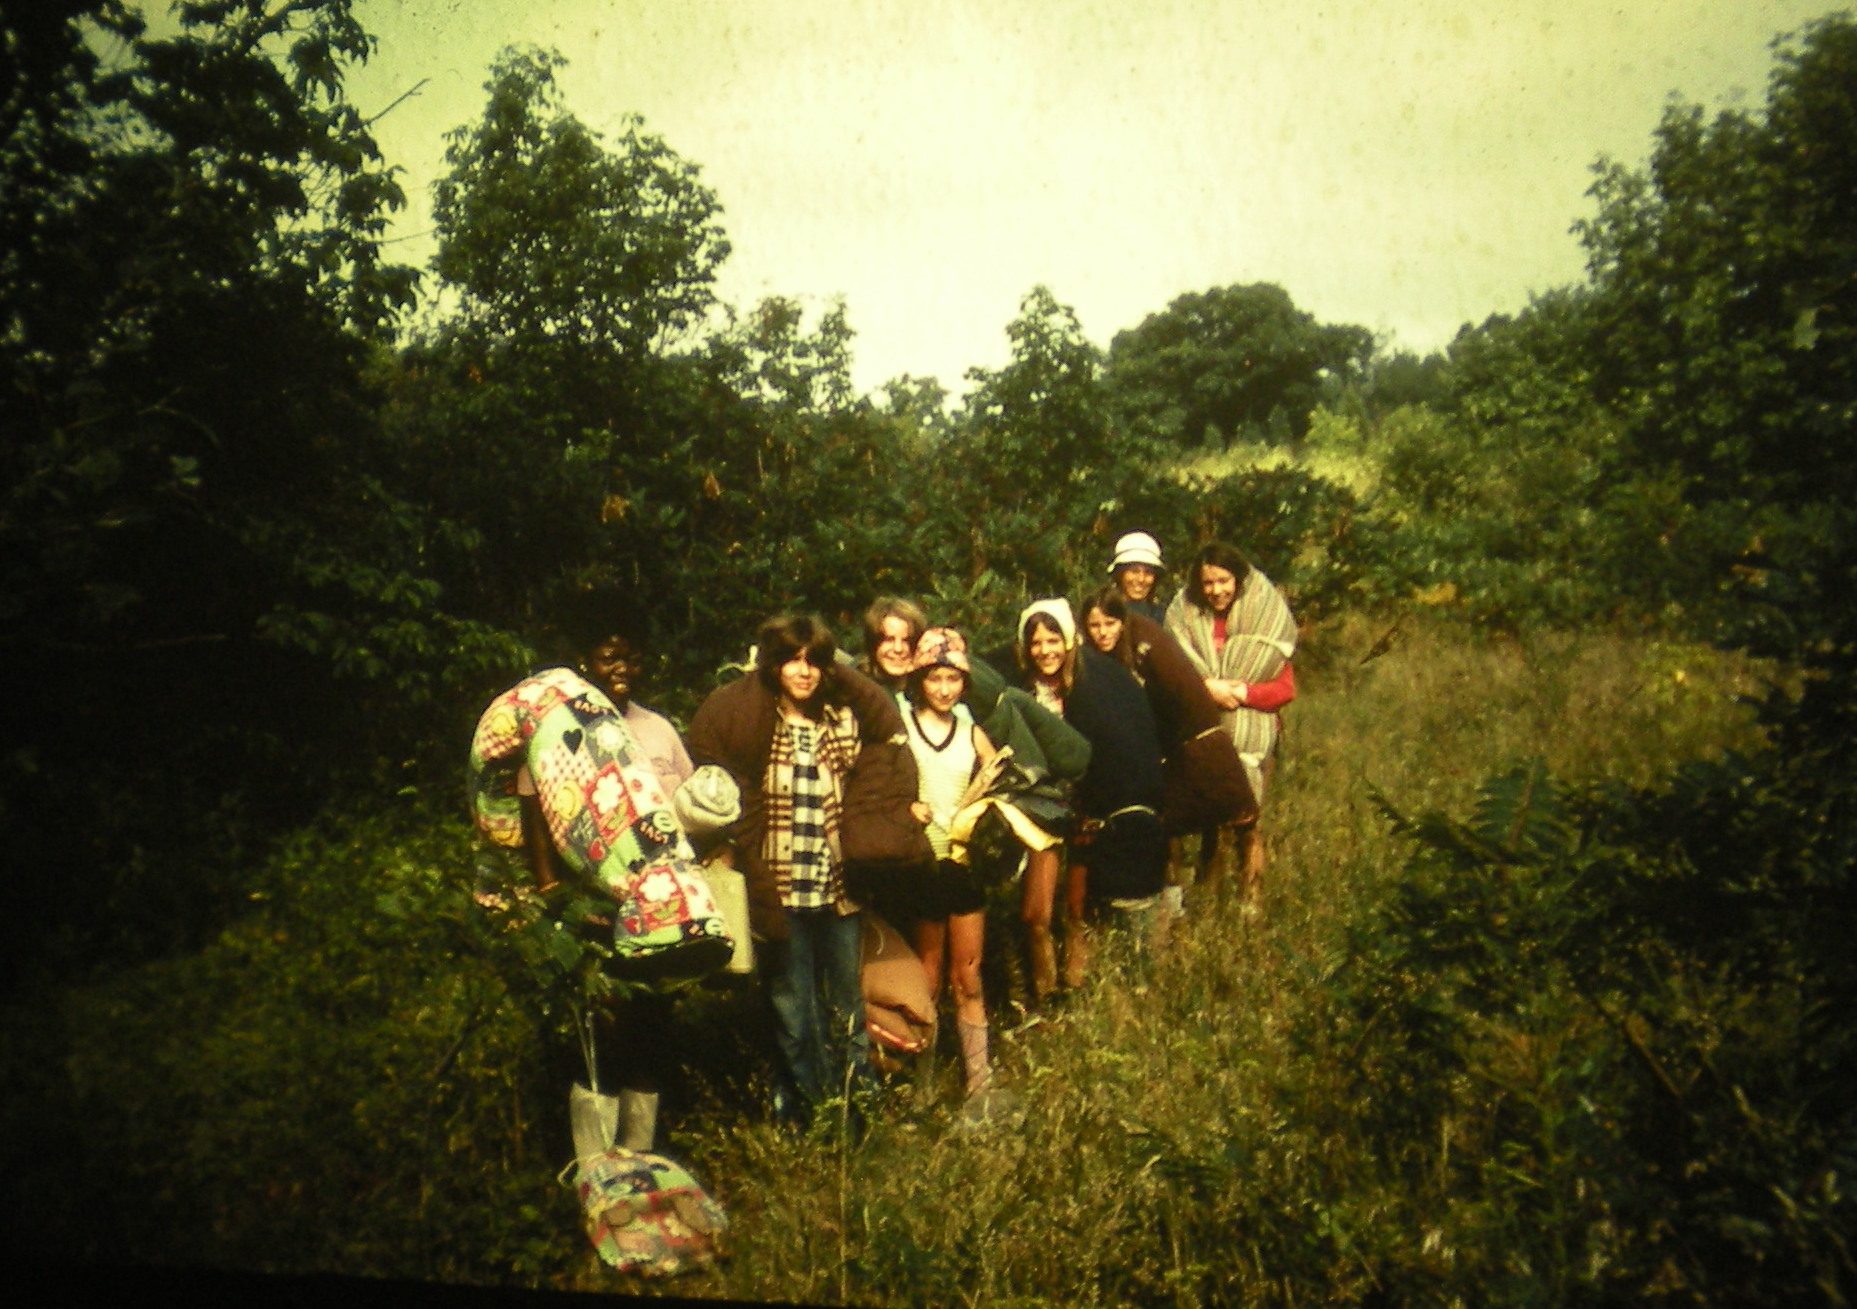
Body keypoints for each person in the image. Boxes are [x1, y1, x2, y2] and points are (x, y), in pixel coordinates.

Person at [467, 591, 733, 1158]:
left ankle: (639, 1156)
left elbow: (688, 808)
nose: (622, 669)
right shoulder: (564, 726)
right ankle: (595, 1162)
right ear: (586, 661)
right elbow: (537, 809)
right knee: (600, 1030)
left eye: (633, 658)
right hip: (594, 902)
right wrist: (549, 889)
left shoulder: (658, 730)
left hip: (658, 910)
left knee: (651, 1028)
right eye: (610, 656)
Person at [686, 613, 930, 1128]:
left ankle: (859, 1113)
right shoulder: (756, 722)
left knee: (846, 1009)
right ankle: (814, 1115)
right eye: (792, 661)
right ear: (771, 666)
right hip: (779, 888)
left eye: (814, 662)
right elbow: (718, 773)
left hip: (836, 887)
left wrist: (838, 668)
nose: (804, 672)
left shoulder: (838, 720)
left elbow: (885, 719)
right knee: (793, 1012)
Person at [1006, 597, 1169, 988]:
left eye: (1052, 640)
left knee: (1077, 909)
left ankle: (1075, 986)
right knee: (1036, 914)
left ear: (1068, 641)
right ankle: (1044, 989)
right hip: (1039, 810)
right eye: (1036, 642)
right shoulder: (1022, 694)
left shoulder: (1088, 688)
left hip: (1085, 811)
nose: (1045, 650)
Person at [891, 627, 1002, 1103]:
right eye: (934, 678)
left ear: (964, 682)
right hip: (921, 862)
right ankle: (923, 1083)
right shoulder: (903, 724)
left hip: (962, 862)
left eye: (952, 679)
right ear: (919, 680)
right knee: (927, 977)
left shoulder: (971, 728)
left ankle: (980, 1081)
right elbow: (886, 783)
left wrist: (986, 806)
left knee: (968, 975)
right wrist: (905, 808)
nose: (943, 688)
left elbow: (999, 775)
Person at [1164, 541, 1298, 900]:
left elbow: (1285, 688)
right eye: (1208, 583)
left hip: (1253, 736)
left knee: (1247, 823)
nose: (1216, 590)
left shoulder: (1264, 620)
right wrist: (1207, 688)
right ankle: (1209, 902)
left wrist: (1240, 694)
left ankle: (1249, 902)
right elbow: (1173, 674)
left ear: (1238, 580)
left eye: (1223, 581)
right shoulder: (1186, 618)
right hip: (1202, 734)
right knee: (1210, 825)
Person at [858, 596, 929, 694]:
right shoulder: (855, 689)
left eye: (907, 640)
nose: (898, 648)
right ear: (873, 643)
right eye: (889, 640)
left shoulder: (930, 689)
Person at [1107, 530, 1166, 624]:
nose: (1141, 579)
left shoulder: (1163, 617)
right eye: (1134, 571)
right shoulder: (1103, 613)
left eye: (1148, 572)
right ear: (1119, 574)